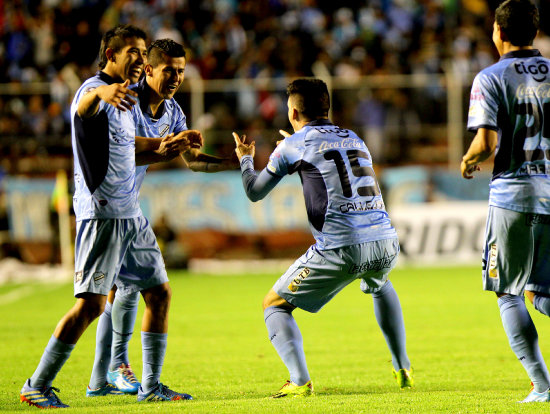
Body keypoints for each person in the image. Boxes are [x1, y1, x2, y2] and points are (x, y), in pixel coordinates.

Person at [20, 25, 195, 409]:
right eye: (132, 51)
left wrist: (169, 147)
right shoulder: (93, 90)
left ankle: (150, 386)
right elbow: (84, 109)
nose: (139, 57)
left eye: (141, 51)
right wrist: (101, 91)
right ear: (111, 55)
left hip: (130, 213)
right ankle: (37, 383)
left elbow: (129, 150)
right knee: (91, 306)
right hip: (101, 214)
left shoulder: (128, 100)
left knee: (160, 293)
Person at [233, 78, 413, 398]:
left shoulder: (294, 145)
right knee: (379, 283)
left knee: (274, 305)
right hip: (386, 241)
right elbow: (324, 159)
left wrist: (245, 157)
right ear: (327, 106)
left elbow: (253, 191)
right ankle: (403, 367)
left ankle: (299, 380)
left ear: (292, 112)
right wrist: (296, 148)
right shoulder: (353, 137)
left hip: (341, 247)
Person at [87, 38, 237, 397]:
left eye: (182, 71)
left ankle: (102, 377)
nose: (176, 78)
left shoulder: (172, 111)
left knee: (119, 289)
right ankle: (118, 369)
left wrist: (237, 163)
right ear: (149, 69)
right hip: (105, 202)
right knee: (126, 289)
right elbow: (118, 154)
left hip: (126, 204)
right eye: (169, 70)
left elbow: (193, 161)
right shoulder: (124, 99)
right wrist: (161, 150)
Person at [461, 0, 550, 403]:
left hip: (514, 194)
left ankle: (543, 386)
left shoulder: (489, 77)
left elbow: (487, 142)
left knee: (509, 290)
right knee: (543, 291)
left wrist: (468, 159)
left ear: (498, 32)